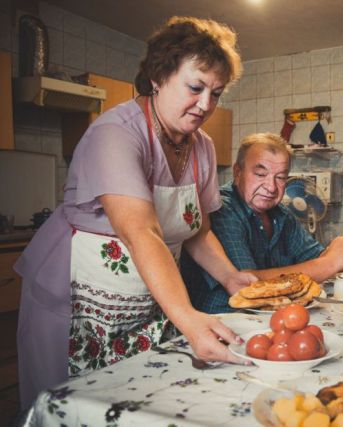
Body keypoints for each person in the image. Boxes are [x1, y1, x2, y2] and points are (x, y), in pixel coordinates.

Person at [14, 16, 256, 409]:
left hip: (144, 305)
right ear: (159, 77)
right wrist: (189, 318)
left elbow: (198, 231)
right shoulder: (116, 133)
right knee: (71, 406)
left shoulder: (203, 147)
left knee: (136, 404)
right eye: (195, 87)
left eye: (216, 93)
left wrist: (231, 278)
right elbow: (141, 232)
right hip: (75, 305)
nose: (205, 104)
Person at [181, 132, 343, 313]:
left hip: (273, 320)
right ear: (238, 172)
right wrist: (333, 262)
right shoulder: (221, 208)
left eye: (280, 177)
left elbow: (316, 261)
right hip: (224, 322)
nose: (271, 187)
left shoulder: (282, 215)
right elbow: (250, 284)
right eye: (260, 174)